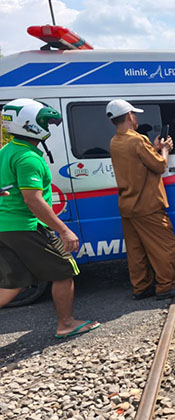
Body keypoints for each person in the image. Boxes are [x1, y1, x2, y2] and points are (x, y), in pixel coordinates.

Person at [0, 98, 100, 338]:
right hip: (27, 225)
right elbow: (33, 200)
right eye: (45, 122)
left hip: (6, 226)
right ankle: (66, 324)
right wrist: (64, 230)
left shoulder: (6, 151)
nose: (49, 127)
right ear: (30, 124)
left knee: (13, 282)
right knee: (64, 271)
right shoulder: (28, 158)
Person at [107, 99, 175, 300]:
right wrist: (164, 149)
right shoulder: (137, 140)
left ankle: (141, 287)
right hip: (147, 205)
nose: (136, 118)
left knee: (137, 251)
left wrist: (152, 148)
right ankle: (166, 286)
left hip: (128, 205)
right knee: (165, 245)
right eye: (134, 114)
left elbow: (138, 164)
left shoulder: (115, 141)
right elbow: (160, 166)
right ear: (129, 116)